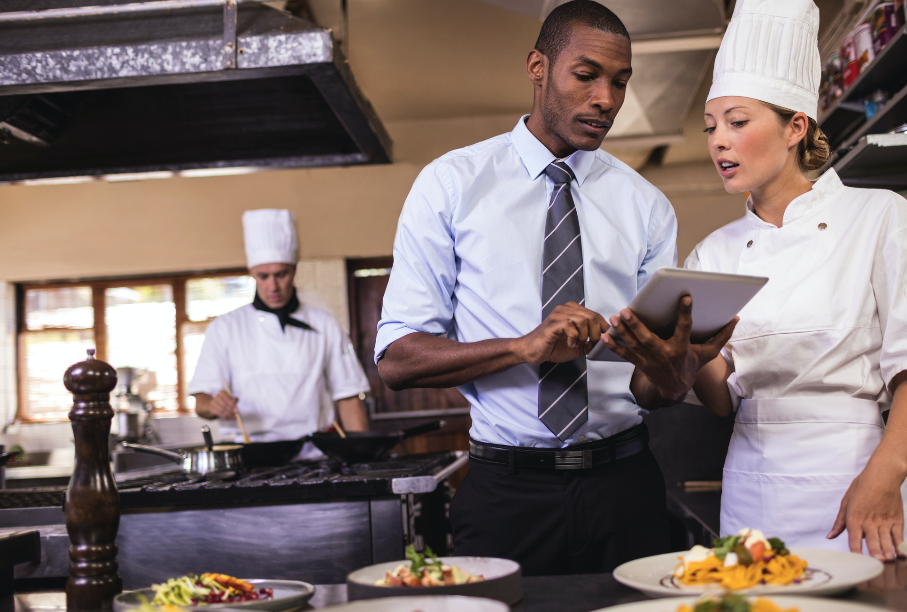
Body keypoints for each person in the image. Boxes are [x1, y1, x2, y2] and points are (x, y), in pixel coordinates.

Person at [374, 0, 734, 576]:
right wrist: (523, 347)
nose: (606, 99)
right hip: (504, 494)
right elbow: (396, 360)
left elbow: (650, 390)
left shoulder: (645, 206)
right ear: (537, 67)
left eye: (620, 82)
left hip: (625, 486)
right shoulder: (451, 185)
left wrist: (676, 372)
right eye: (586, 75)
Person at [607, 0, 907, 560]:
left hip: (860, 477)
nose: (718, 141)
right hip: (754, 491)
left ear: (795, 127)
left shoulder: (879, 217)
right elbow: (721, 399)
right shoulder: (713, 253)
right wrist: (682, 359)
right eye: (711, 127)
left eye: (737, 122)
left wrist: (886, 472)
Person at [190, 209, 370, 447]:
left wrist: (361, 453)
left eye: (281, 274)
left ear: (294, 270)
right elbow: (201, 402)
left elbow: (348, 395)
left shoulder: (325, 323)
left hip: (313, 450)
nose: (273, 286)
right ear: (252, 274)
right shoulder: (224, 327)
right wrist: (214, 406)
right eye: (263, 276)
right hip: (249, 451)